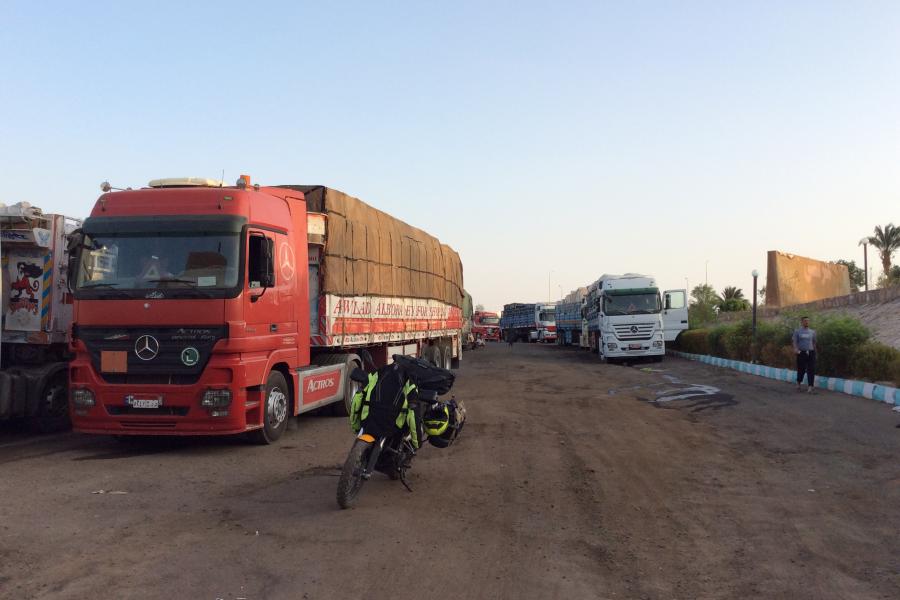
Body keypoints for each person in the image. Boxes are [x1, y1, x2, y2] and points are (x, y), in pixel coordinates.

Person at [792, 316, 817, 393]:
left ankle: (810, 386)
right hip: (801, 353)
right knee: (801, 369)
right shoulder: (797, 331)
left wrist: (815, 352)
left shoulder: (812, 332)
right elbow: (794, 341)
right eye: (805, 321)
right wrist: (795, 349)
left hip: (811, 352)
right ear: (802, 322)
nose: (807, 322)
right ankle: (799, 382)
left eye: (808, 321)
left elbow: (814, 342)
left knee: (811, 369)